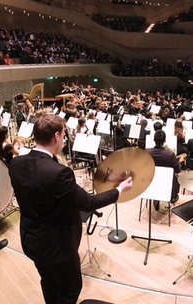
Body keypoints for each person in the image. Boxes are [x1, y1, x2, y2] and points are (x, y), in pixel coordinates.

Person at [9, 114, 133, 303]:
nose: (65, 138)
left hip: (31, 240)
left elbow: (38, 194)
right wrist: (119, 190)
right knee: (70, 289)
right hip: (57, 246)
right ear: (57, 136)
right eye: (64, 134)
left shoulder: (16, 163)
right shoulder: (59, 173)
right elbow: (88, 204)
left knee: (48, 281)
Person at [147, 130, 181, 210]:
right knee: (176, 176)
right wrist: (178, 162)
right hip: (166, 183)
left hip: (150, 182)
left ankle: (156, 196)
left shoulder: (147, 152)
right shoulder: (170, 154)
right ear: (165, 140)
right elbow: (177, 170)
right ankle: (173, 197)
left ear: (154, 140)